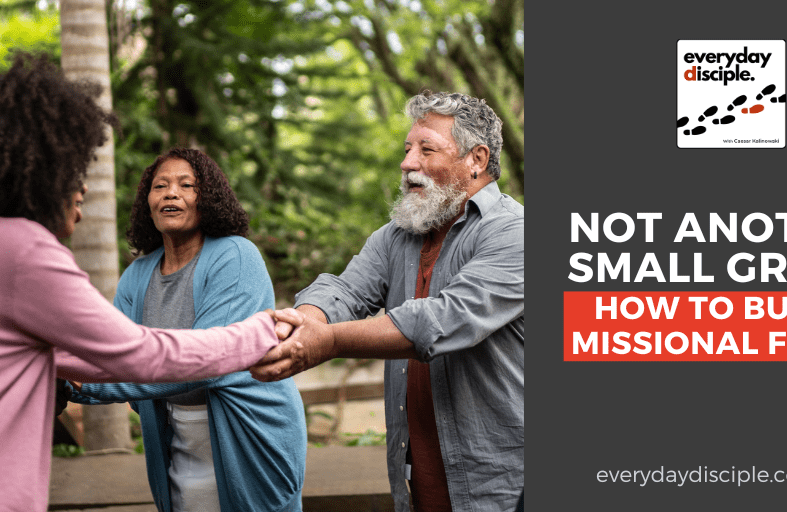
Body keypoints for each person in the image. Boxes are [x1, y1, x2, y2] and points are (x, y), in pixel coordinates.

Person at [0, 53, 282, 512]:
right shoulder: (28, 251)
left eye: (187, 185)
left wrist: (74, 382)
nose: (84, 188)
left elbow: (89, 357)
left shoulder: (233, 254)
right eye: (74, 168)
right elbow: (132, 354)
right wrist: (263, 331)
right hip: (165, 436)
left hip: (236, 436)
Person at [253, 91, 524, 511]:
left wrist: (326, 341)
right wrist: (302, 322)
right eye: (407, 149)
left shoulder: (515, 234)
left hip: (503, 486)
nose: (407, 163)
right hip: (421, 483)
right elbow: (344, 290)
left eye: (425, 149)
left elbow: (440, 319)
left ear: (477, 159)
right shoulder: (397, 235)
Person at [68, 148, 307, 512]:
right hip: (175, 437)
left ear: (207, 197)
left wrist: (89, 383)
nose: (170, 193)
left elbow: (208, 364)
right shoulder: (136, 275)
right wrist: (73, 375)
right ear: (148, 202)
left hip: (249, 437)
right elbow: (110, 349)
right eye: (159, 185)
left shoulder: (236, 256)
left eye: (186, 185)